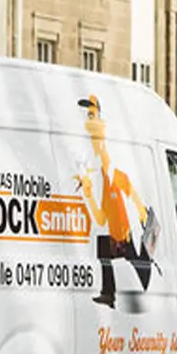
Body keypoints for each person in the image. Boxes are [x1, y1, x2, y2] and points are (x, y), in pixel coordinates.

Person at [73, 95, 155, 309]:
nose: (88, 120)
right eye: (87, 115)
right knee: (105, 247)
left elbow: (124, 181)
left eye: (92, 114)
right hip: (114, 228)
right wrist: (88, 192)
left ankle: (137, 289)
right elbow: (100, 217)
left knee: (133, 258)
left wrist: (140, 209)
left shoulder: (105, 149)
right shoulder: (96, 166)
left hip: (124, 231)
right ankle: (108, 292)